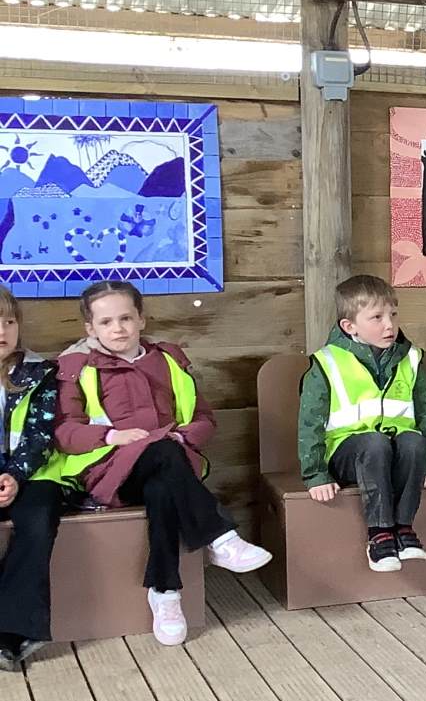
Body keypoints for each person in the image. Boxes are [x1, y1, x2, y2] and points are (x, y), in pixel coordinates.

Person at [48, 280, 271, 644]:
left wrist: (182, 437)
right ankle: (218, 536)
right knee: (163, 455)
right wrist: (111, 436)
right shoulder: (77, 368)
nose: (118, 329)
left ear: (142, 320)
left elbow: (203, 418)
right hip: (109, 474)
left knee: (163, 486)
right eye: (105, 322)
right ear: (90, 328)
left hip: (169, 466)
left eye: (125, 318)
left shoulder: (168, 361)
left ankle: (165, 594)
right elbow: (64, 432)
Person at [298, 274, 426, 573]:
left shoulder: (411, 358)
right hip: (346, 455)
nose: (389, 325)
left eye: (393, 315)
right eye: (377, 318)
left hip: (396, 453)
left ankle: (404, 528)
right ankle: (379, 534)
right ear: (349, 326)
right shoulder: (327, 362)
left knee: (414, 440)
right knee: (374, 443)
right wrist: (315, 474)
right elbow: (310, 423)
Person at [0, 285, 62, 670]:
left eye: (9, 322)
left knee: (39, 518)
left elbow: (41, 434)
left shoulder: (39, 372)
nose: (2, 331)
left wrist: (14, 476)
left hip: (31, 473)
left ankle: (12, 632)